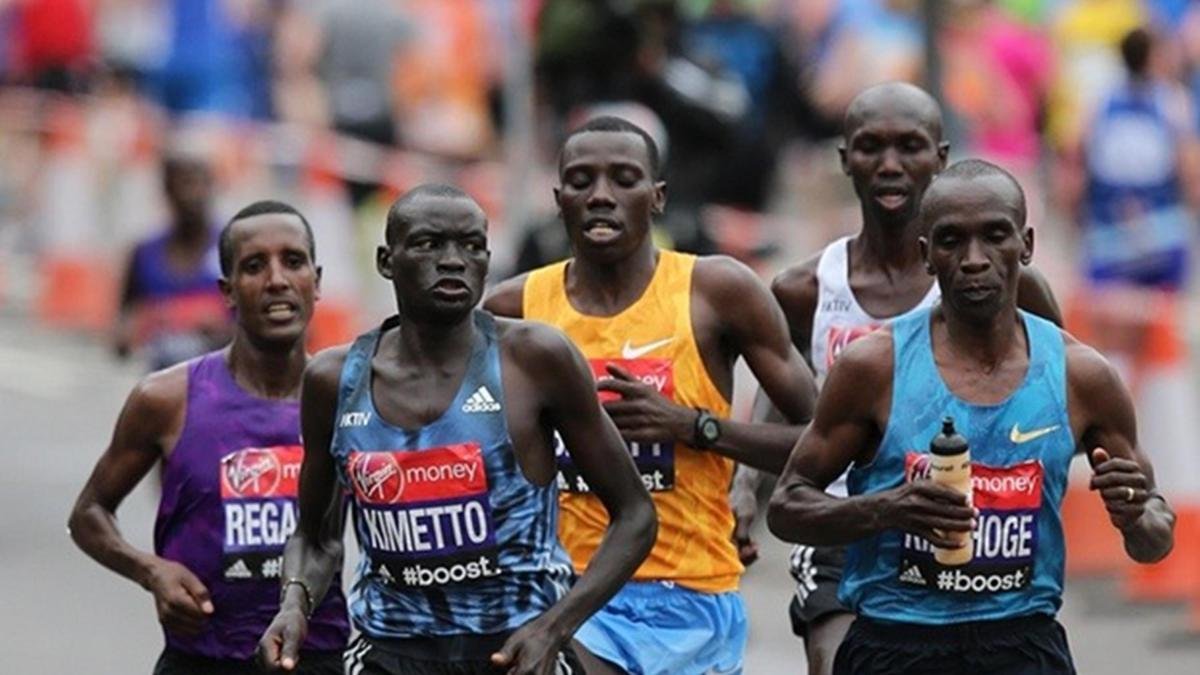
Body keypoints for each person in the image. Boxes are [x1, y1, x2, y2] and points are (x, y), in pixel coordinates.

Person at [766, 160, 1176, 675]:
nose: (975, 260)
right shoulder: (875, 367)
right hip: (896, 642)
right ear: (926, 255)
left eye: (995, 236)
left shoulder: (1081, 376)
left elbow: (1154, 543)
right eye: (952, 241)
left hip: (1024, 643)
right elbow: (786, 506)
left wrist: (1136, 514)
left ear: (1025, 246)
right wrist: (888, 509)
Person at [729, 81, 1063, 675]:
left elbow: (1055, 387)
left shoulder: (1007, 282)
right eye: (870, 147)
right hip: (840, 521)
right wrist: (744, 492)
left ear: (940, 156)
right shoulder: (808, 288)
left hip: (976, 527)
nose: (890, 165)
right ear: (844, 159)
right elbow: (787, 400)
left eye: (909, 146)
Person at [258, 184, 657, 674]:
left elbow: (636, 515)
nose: (453, 261)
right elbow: (316, 537)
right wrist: (294, 605)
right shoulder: (334, 380)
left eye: (471, 246)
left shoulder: (535, 359)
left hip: (515, 653)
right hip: (390, 655)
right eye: (430, 244)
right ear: (387, 261)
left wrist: (554, 628)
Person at [485, 116, 817, 675]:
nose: (601, 197)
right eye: (582, 181)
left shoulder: (717, 292)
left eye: (624, 179)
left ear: (657, 197)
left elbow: (819, 444)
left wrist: (694, 427)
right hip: (569, 595)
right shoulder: (513, 310)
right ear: (558, 198)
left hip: (692, 592)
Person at [69, 201, 350, 674]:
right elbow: (88, 514)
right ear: (228, 290)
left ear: (316, 282)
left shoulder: (351, 398)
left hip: (313, 655)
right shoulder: (166, 398)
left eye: (293, 261)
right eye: (255, 266)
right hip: (200, 658)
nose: (277, 280)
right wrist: (151, 571)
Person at [114, 153, 232, 370]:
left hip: (222, 372)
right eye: (185, 183)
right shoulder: (145, 252)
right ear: (167, 190)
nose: (193, 194)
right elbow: (120, 333)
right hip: (162, 372)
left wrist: (215, 328)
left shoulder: (234, 247)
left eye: (201, 183)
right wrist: (142, 327)